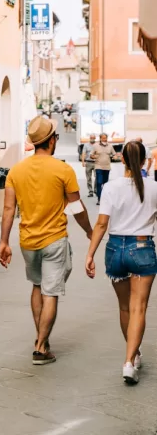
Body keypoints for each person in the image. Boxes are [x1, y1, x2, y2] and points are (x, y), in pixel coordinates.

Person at [0, 116, 92, 365]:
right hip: (54, 240)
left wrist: (3, 242)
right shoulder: (63, 170)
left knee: (37, 286)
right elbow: (77, 207)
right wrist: (89, 231)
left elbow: (8, 210)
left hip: (27, 241)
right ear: (51, 141)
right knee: (51, 292)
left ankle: (42, 338)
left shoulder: (16, 170)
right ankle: (41, 347)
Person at [86, 141, 157, 385]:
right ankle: (129, 362)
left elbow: (102, 224)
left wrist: (90, 254)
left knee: (125, 308)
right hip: (142, 249)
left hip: (115, 249)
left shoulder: (110, 187)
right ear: (145, 160)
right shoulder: (154, 187)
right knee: (139, 308)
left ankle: (134, 353)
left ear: (123, 160)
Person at [90, 133, 116, 206]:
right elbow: (91, 155)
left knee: (105, 184)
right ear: (100, 138)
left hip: (107, 167)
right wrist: (93, 157)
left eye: (105, 138)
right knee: (99, 182)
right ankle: (99, 199)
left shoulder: (110, 146)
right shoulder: (95, 146)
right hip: (98, 166)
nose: (104, 139)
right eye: (103, 138)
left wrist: (115, 157)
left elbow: (114, 154)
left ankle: (105, 198)